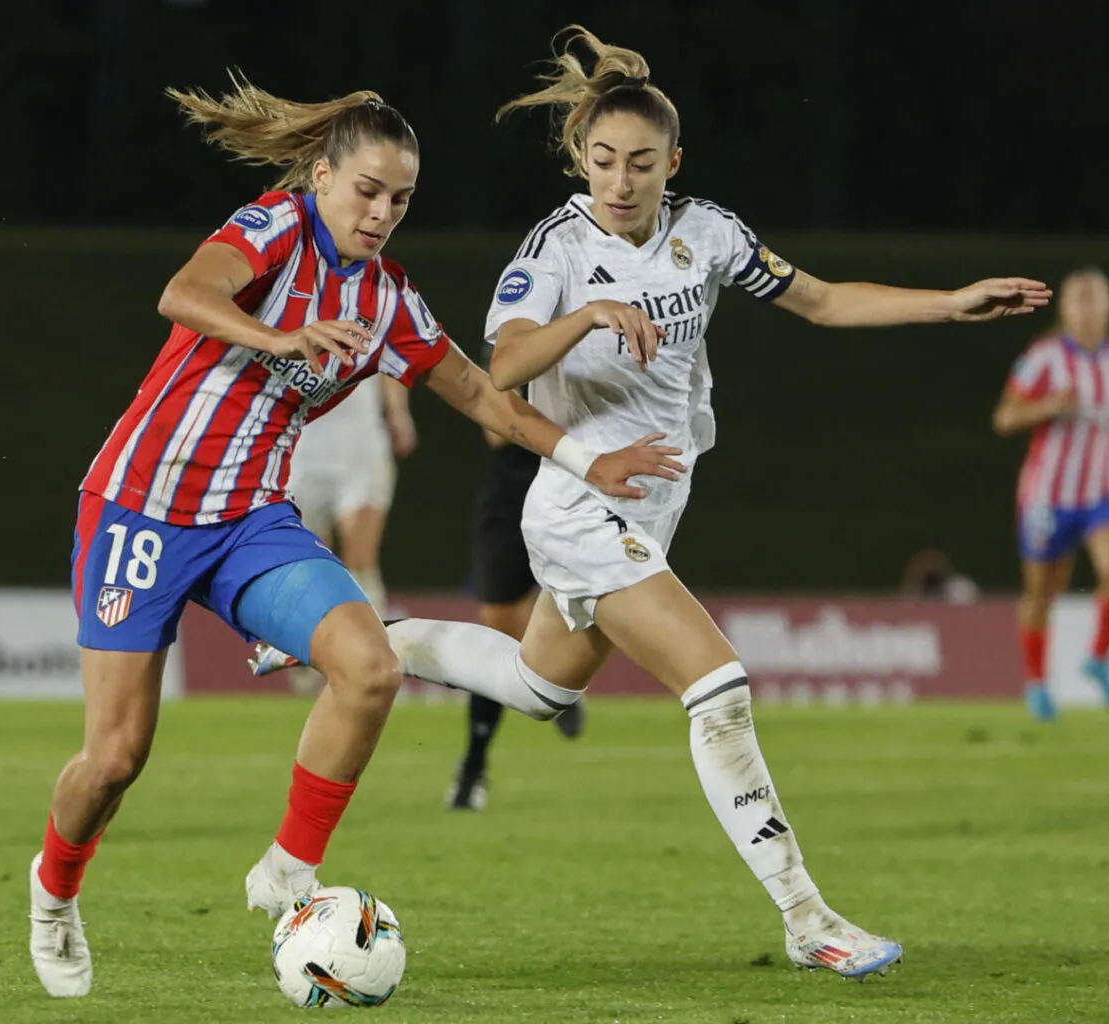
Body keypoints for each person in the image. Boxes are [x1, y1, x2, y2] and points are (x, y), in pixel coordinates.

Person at [254, 26, 1050, 978]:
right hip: (582, 501)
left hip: (651, 503)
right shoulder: (554, 247)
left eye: (639, 163)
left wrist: (950, 302)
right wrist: (587, 314)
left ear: (674, 161)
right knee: (718, 687)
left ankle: (351, 635)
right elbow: (501, 369)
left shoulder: (707, 233)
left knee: (538, 688)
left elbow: (826, 302)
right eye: (600, 162)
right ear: (578, 160)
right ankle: (808, 918)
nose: (619, 182)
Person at [26, 72, 683, 999]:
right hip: (142, 508)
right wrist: (279, 337)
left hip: (253, 521)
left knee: (370, 666)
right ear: (325, 177)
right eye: (368, 191)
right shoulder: (275, 227)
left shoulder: (385, 301)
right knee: (115, 761)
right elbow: (184, 293)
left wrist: (586, 460)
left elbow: (483, 397)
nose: (381, 213)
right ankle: (54, 894)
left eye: (401, 200)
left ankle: (290, 869)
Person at [993, 267, 1109, 721]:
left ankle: (1098, 657)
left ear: (1107, 306)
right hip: (1049, 494)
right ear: (1065, 309)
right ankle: (1038, 685)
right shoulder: (1043, 358)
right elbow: (1004, 417)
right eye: (1077, 298)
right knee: (1043, 593)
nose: (1085, 307)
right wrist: (1046, 406)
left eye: (1093, 297)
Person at [447, 358, 584, 813]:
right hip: (513, 493)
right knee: (499, 630)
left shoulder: (603, 341)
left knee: (584, 613)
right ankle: (474, 764)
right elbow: (495, 424)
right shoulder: (522, 335)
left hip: (579, 493)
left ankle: (559, 683)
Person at [287, 373, 416, 619]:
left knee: (360, 562)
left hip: (359, 443)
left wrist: (399, 412)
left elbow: (389, 352)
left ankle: (374, 640)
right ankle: (311, 646)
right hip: (301, 448)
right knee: (311, 564)